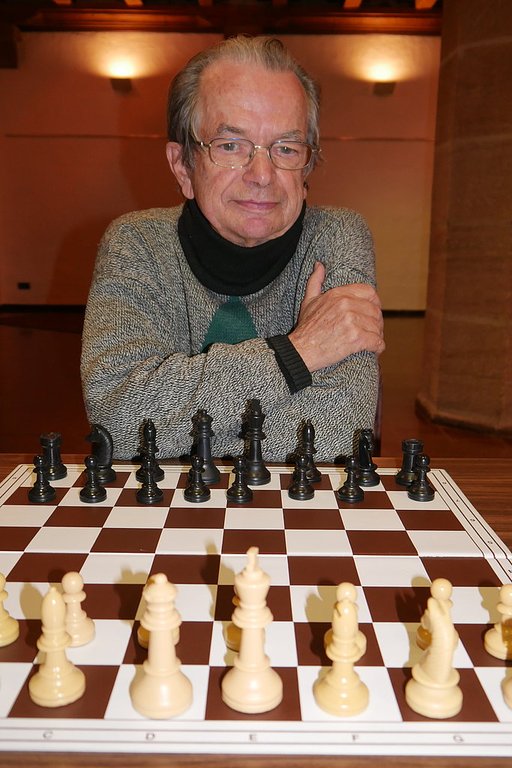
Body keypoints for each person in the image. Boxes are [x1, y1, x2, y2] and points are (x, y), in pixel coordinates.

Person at [80, 35, 385, 462]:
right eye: (230, 146)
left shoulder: (335, 238)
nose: (262, 174)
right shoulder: (137, 244)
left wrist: (175, 428)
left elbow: (343, 432)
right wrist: (299, 352)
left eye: (286, 148)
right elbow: (118, 419)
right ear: (183, 166)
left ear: (306, 168)